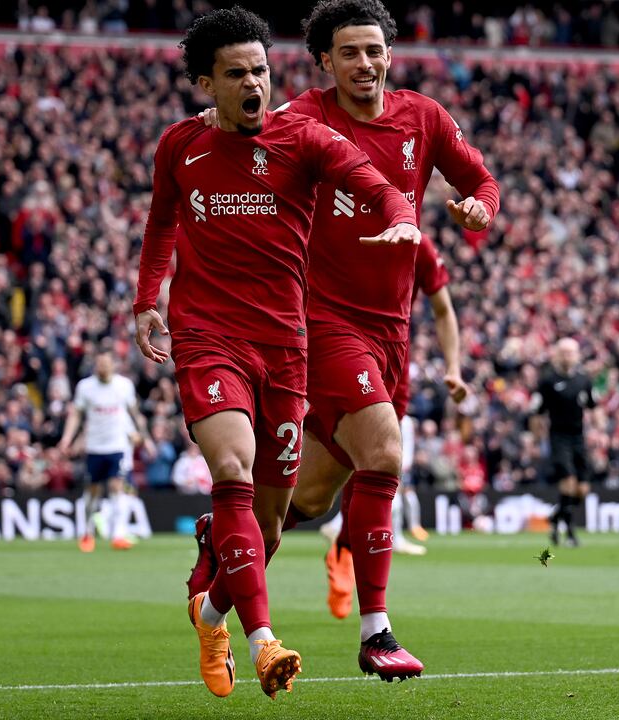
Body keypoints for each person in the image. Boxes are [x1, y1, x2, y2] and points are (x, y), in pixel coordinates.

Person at [187, 0, 497, 682]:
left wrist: (481, 208)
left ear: (390, 54)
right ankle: (376, 631)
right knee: (386, 450)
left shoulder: (425, 119)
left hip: (393, 333)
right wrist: (217, 118)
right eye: (350, 53)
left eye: (375, 50)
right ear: (324, 62)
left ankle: (214, 590)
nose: (366, 63)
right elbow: (246, 126)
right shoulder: (301, 118)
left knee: (306, 501)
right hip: (322, 323)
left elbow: (480, 178)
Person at [133, 6, 420, 700]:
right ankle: (265, 643)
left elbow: (373, 182)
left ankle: (210, 614)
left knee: (271, 524)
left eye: (260, 69)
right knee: (230, 466)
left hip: (286, 347)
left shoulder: (304, 139)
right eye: (236, 74)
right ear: (208, 83)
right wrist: (148, 300)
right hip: (207, 337)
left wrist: (404, 216)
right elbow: (161, 223)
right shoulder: (181, 147)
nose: (253, 83)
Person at [322, 234, 465, 616]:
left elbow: (443, 309)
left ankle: (344, 548)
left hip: (393, 363)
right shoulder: (338, 220)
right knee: (317, 488)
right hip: (338, 349)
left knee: (377, 467)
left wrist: (453, 367)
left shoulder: (419, 245)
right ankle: (236, 532)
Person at [58, 350, 147, 552]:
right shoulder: (86, 387)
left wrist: (141, 434)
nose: (102, 368)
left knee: (118, 486)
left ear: (113, 365)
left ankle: (118, 534)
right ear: (95, 366)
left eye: (106, 364)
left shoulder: (124, 386)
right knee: (93, 491)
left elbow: (134, 412)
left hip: (117, 446)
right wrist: (67, 439)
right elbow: (76, 415)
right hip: (94, 447)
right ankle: (87, 533)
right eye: (99, 364)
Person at [531, 338, 598, 547]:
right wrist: (536, 437)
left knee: (582, 490)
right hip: (559, 437)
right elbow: (536, 412)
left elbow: (593, 407)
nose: (568, 356)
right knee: (568, 480)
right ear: (557, 355)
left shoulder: (583, 380)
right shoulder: (548, 381)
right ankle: (570, 532)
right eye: (565, 352)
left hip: (579, 437)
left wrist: (598, 430)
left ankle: (555, 517)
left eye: (572, 352)